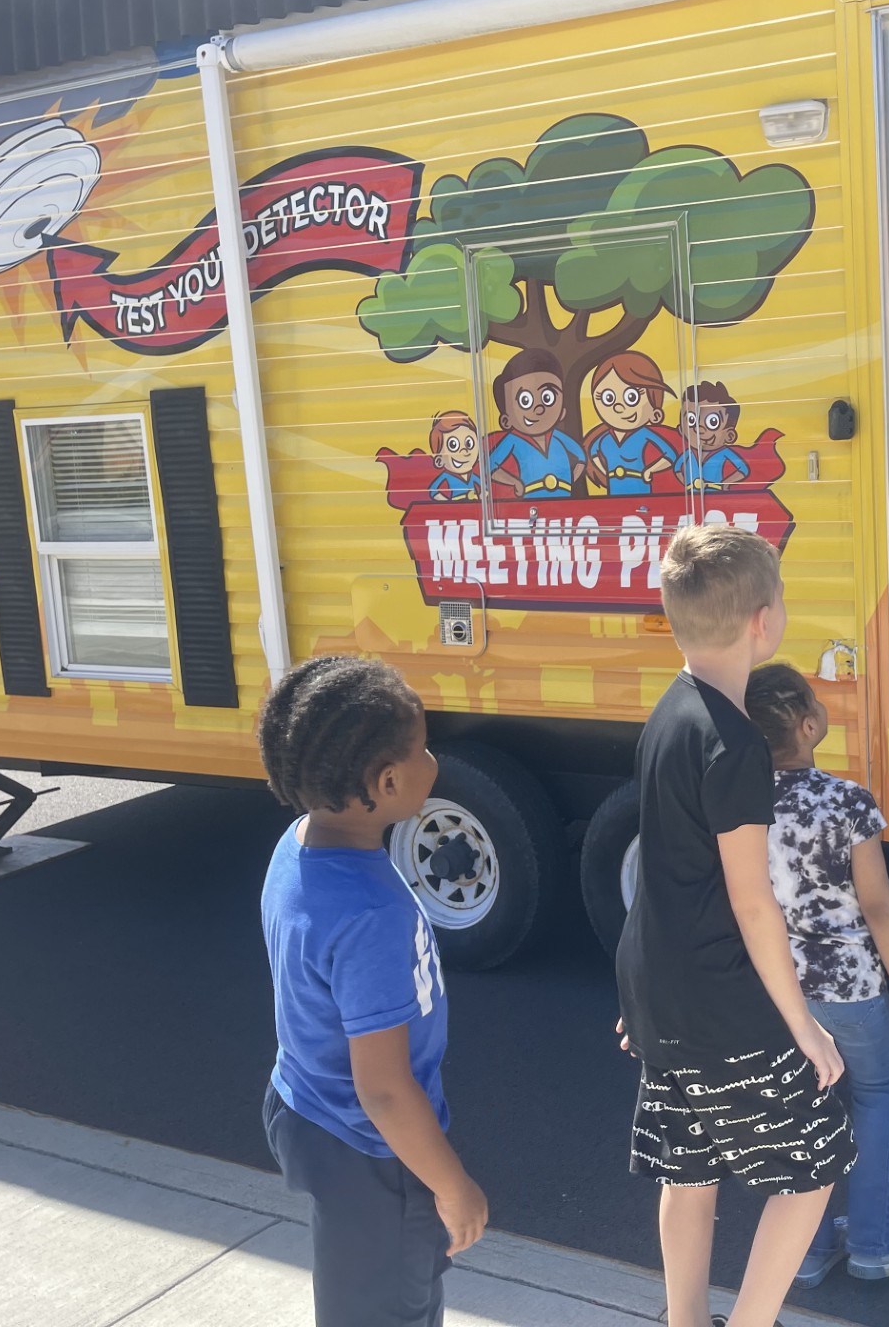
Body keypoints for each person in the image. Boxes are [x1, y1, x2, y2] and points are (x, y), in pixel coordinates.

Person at [614, 524, 855, 1327]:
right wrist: (805, 1026)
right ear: (763, 621)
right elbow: (753, 903)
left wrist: (642, 996)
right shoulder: (737, 743)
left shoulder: (669, 713)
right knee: (815, 1163)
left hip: (664, 993)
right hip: (724, 1002)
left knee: (689, 1172)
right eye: (779, 597)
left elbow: (664, 874)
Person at [257, 656, 487, 1327]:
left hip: (307, 1110)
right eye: (421, 751)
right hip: (370, 1157)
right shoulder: (370, 915)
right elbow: (383, 1089)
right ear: (385, 782)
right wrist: (452, 1186)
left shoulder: (298, 843)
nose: (432, 762)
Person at [745, 663, 889, 1289]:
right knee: (877, 1094)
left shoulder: (739, 803)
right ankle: (875, 1243)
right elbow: (879, 905)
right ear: (808, 725)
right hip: (850, 987)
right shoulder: (846, 801)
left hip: (779, 990)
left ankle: (802, 1249)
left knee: (800, 1109)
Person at [487, 347, 586, 498]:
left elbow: (580, 457)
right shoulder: (513, 440)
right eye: (525, 401)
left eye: (548, 397)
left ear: (562, 412)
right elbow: (490, 466)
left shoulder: (558, 437)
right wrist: (514, 482)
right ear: (506, 420)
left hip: (563, 499)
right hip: (532, 501)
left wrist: (571, 478)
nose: (539, 408)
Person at [586, 351, 679, 494]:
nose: (618, 406)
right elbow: (593, 453)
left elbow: (670, 455)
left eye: (631, 397)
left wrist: (649, 470)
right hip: (614, 488)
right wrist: (605, 471)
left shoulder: (644, 434)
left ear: (655, 414)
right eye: (608, 398)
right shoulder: (605, 438)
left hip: (640, 486)